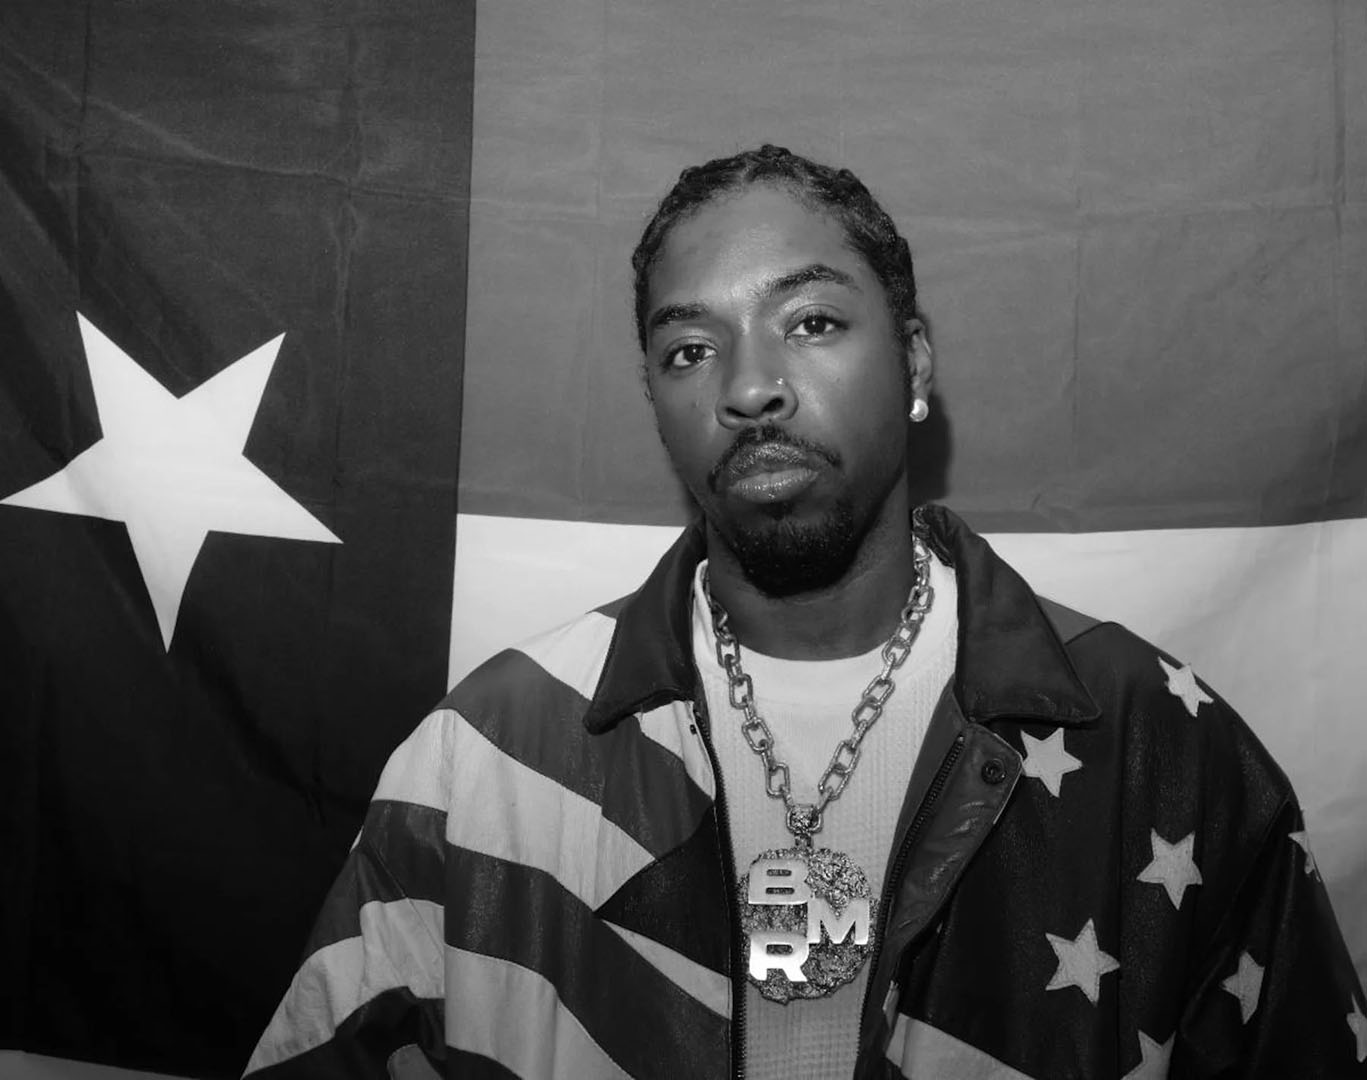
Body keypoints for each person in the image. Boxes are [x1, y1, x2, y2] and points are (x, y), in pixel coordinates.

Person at [244, 145, 1367, 1079]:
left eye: (812, 322)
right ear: (654, 399)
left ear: (913, 362)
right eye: (690, 349)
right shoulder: (491, 755)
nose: (748, 387)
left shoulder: (1155, 741)